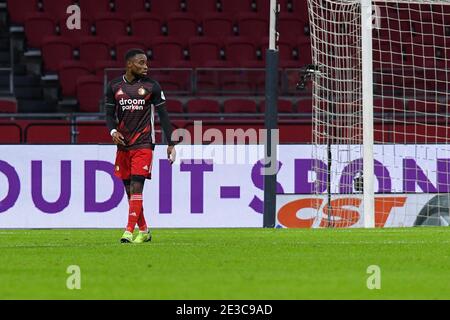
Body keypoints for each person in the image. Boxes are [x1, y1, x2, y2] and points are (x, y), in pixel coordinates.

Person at [105, 48, 175, 244]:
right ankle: (144, 230)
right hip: (123, 145)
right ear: (129, 64)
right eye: (141, 63)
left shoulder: (152, 86)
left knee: (137, 187)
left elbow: (164, 116)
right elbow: (109, 115)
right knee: (129, 190)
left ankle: (128, 231)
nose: (146, 66)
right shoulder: (114, 86)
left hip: (144, 143)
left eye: (146, 63)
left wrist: (171, 143)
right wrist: (112, 132)